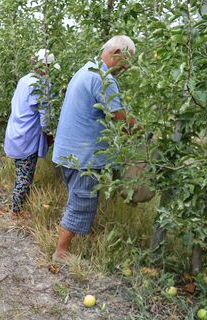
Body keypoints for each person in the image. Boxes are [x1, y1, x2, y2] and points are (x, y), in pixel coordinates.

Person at [51, 35, 138, 263]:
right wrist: (141, 130)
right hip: (83, 156)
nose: (126, 68)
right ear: (117, 53)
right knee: (81, 201)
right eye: (126, 61)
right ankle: (61, 252)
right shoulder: (103, 77)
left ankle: (72, 242)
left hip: (69, 150)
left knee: (78, 198)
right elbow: (118, 113)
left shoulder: (85, 70)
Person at [4, 49, 56, 215]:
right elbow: (45, 116)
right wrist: (50, 134)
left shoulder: (24, 79)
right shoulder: (42, 84)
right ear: (46, 66)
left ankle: (17, 207)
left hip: (16, 132)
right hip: (27, 136)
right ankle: (16, 212)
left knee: (21, 172)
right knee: (24, 176)